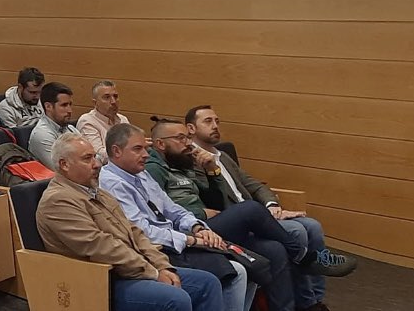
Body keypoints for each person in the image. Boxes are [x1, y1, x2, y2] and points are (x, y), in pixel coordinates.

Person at [145, 119, 343, 311]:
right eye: (181, 138)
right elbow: (159, 211)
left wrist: (213, 171)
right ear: (161, 144)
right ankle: (304, 256)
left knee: (274, 249)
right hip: (188, 233)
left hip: (207, 225)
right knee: (250, 208)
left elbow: (214, 199)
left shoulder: (182, 165)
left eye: (188, 138)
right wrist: (199, 213)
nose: (188, 143)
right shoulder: (154, 169)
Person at [36, 133, 224, 311]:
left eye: (95, 157)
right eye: (87, 159)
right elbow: (101, 247)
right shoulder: (58, 201)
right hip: (101, 280)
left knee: (208, 283)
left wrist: (162, 265)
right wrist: (153, 273)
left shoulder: (98, 193)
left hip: (130, 269)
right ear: (64, 164)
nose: (96, 164)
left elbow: (135, 232)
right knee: (175, 298)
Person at [100, 124, 254, 311]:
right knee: (235, 272)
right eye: (138, 149)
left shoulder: (141, 174)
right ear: (116, 151)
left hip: (176, 240)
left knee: (250, 266)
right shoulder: (111, 183)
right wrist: (191, 240)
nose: (147, 155)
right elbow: (142, 231)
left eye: (145, 149)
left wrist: (198, 227)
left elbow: (172, 209)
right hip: (158, 250)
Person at [77, 80, 131, 164]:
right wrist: (130, 152)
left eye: (115, 96)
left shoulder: (123, 119)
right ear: (95, 103)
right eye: (107, 97)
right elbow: (98, 155)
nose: (113, 101)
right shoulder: (87, 121)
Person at [29, 82, 80, 169]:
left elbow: (92, 156)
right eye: (64, 105)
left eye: (70, 104)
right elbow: (60, 169)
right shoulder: (41, 134)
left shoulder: (71, 129)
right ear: (48, 106)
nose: (69, 110)